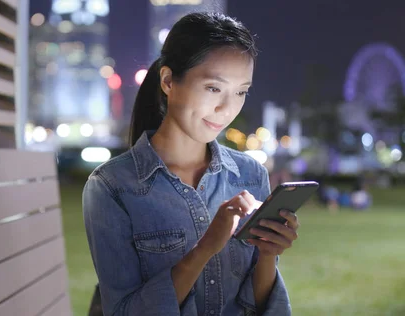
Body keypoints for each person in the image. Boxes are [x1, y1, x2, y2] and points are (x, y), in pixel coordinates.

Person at [82, 12, 298, 316]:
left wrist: (267, 254)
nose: (226, 109)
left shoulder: (250, 175)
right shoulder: (112, 187)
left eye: (240, 92)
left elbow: (258, 306)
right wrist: (205, 248)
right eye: (213, 88)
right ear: (168, 81)